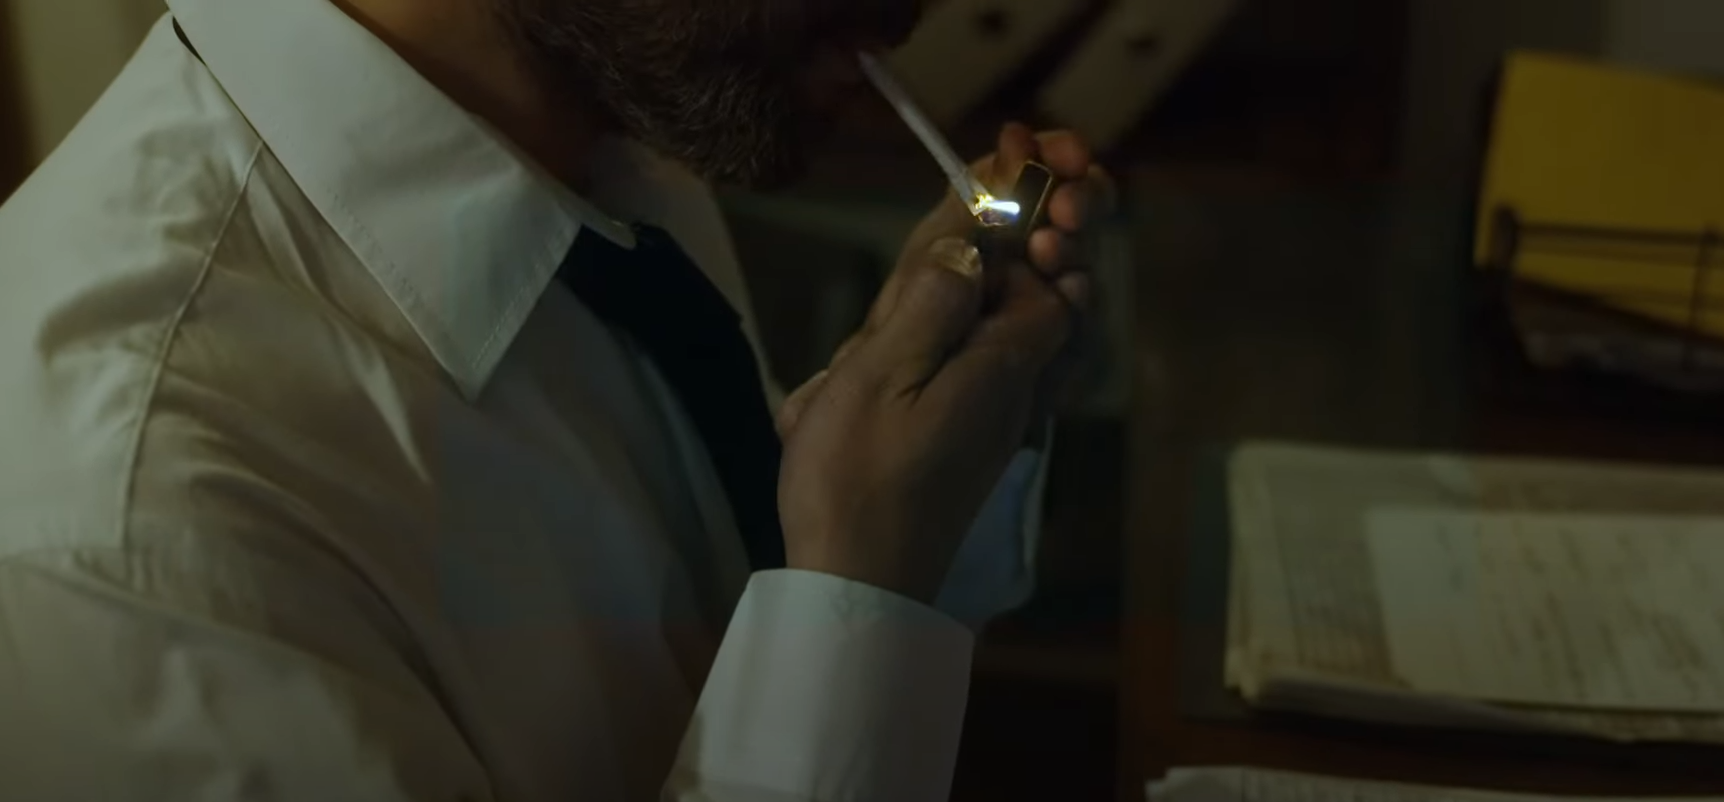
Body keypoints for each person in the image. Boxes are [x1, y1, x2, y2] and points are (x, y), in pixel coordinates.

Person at [0, 0, 1112, 798]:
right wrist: (855, 586)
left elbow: (742, 611)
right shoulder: (132, 535)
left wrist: (948, 430)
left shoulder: (603, 123)